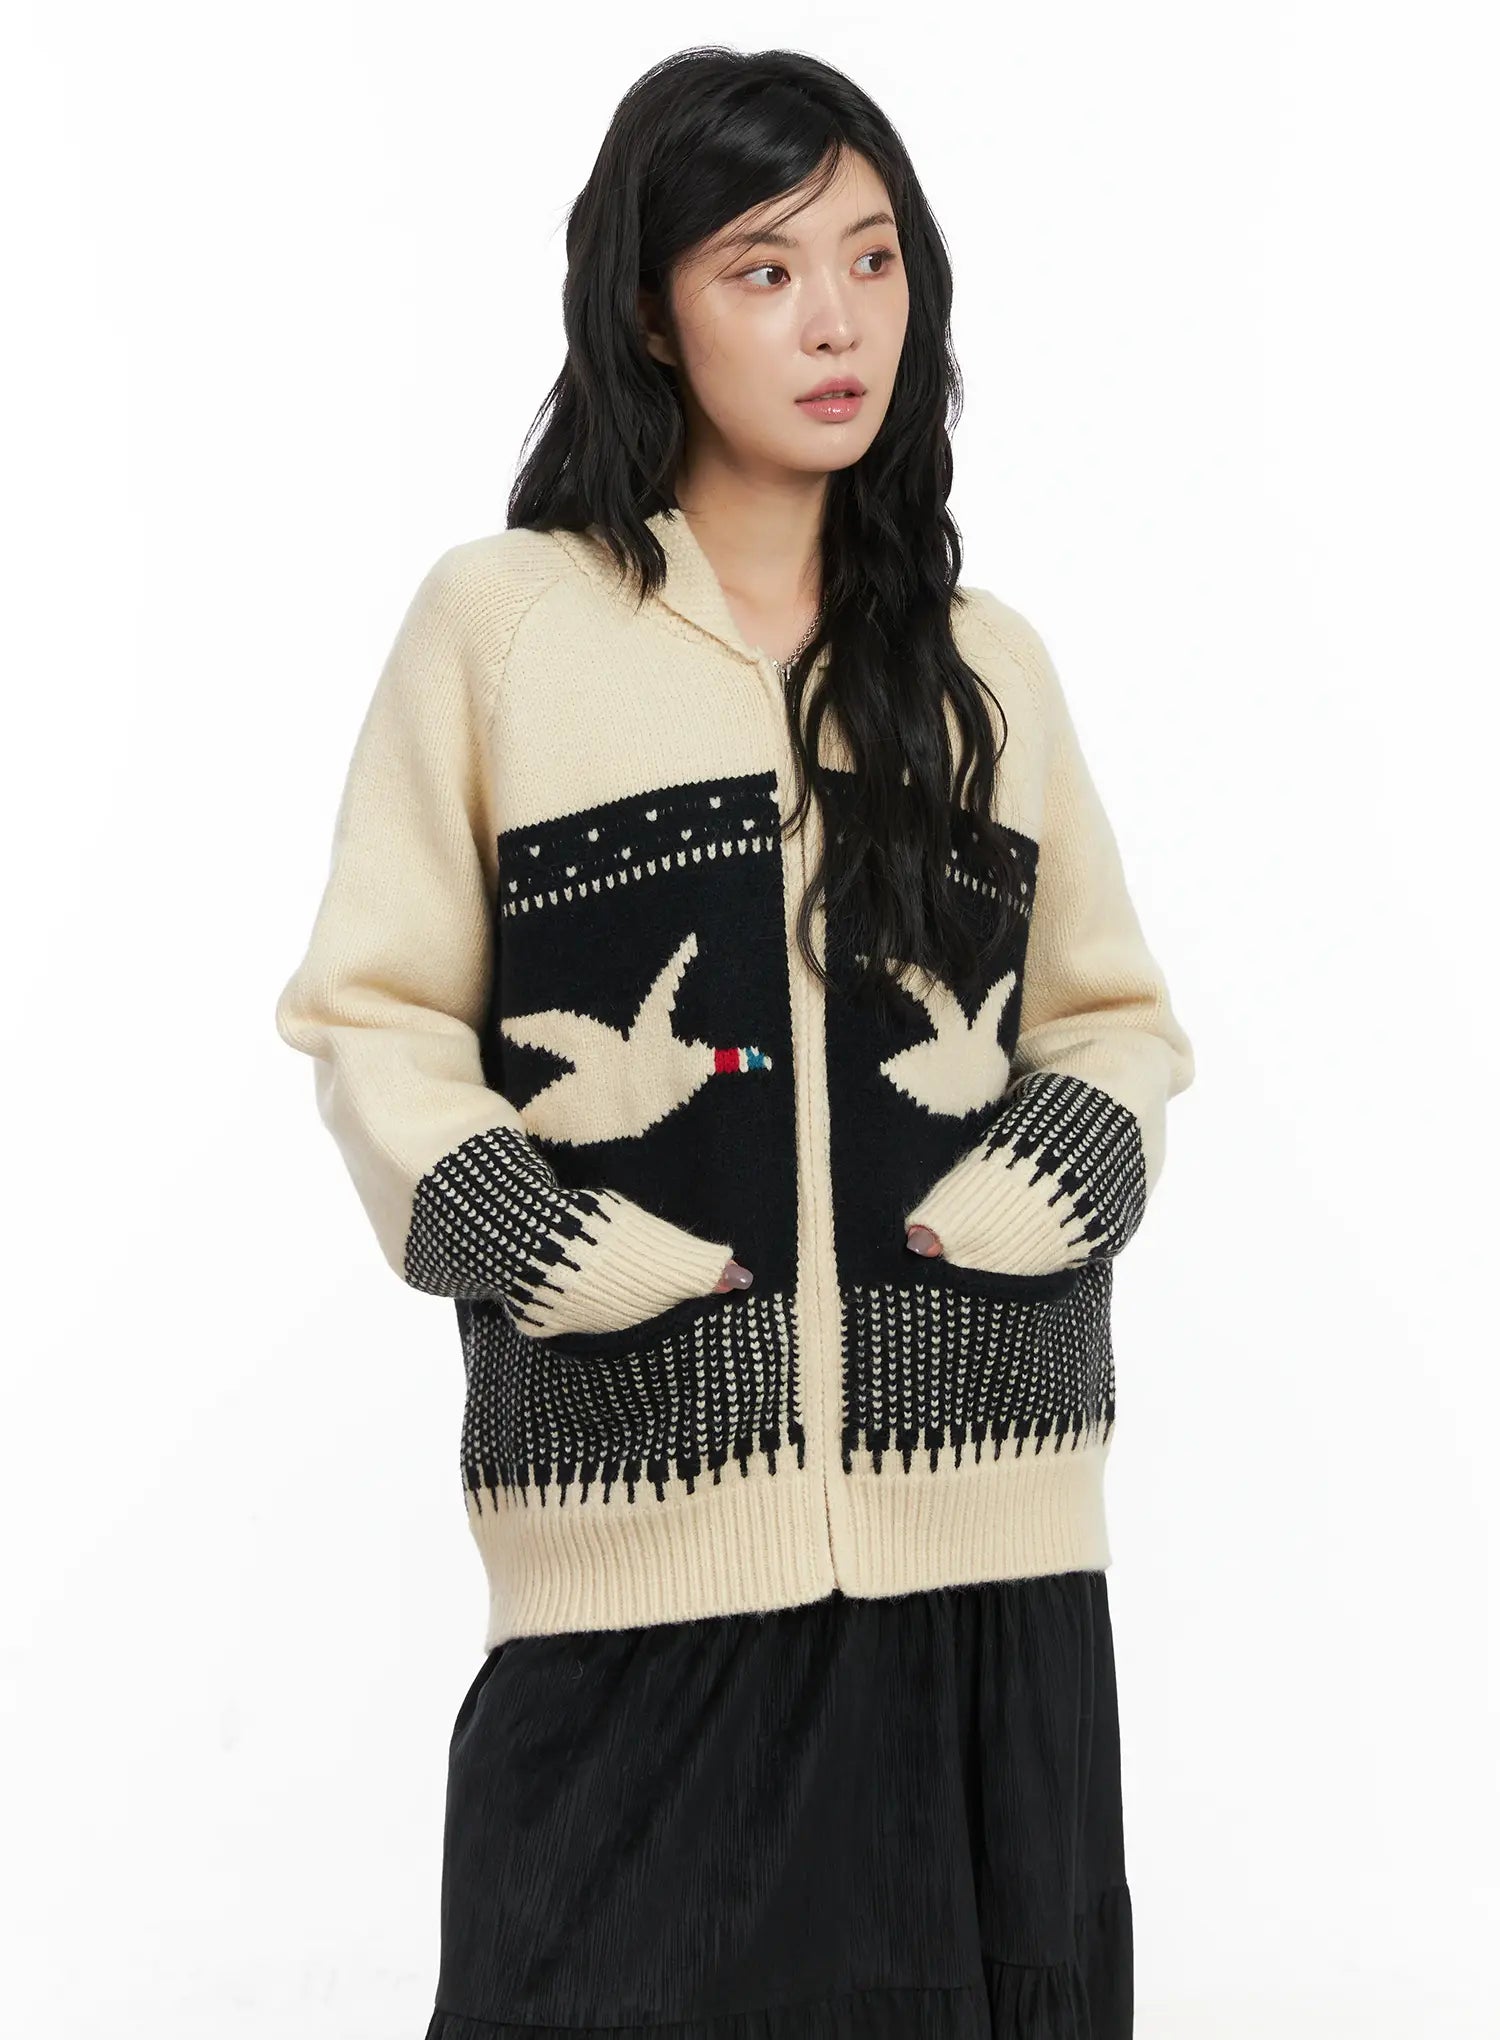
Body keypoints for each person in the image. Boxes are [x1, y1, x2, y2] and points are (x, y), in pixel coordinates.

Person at [274, 45, 1194, 2040]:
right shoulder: (506, 628)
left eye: (872, 258)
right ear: (648, 313)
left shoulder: (980, 668)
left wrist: (1050, 1181)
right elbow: (372, 1016)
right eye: (765, 270)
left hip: (987, 1548)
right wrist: (536, 1237)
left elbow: (1112, 1019)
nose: (839, 319)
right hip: (635, 1538)